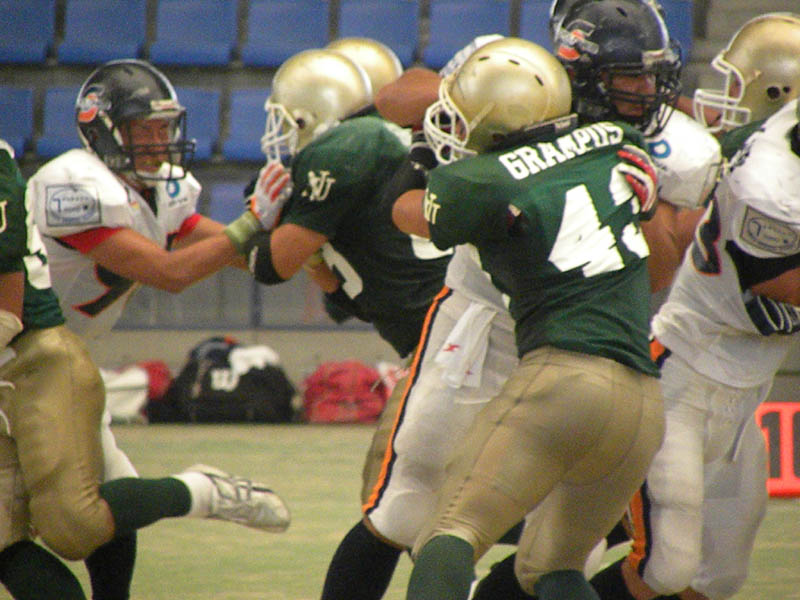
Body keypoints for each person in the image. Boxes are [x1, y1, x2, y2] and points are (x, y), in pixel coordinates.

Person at [318, 3, 718, 600]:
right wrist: (470, 102)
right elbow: (396, 98)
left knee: (556, 549)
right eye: (627, 76)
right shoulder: (516, 81)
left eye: (651, 76)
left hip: (578, 332)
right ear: (579, 72)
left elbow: (655, 272)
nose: (643, 92)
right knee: (405, 506)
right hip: (483, 323)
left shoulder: (671, 145)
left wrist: (649, 207)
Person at [389, 37, 664, 600]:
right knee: (555, 569)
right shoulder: (617, 139)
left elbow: (403, 211)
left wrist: (420, 157)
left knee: (449, 533)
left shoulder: (479, 181)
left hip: (563, 379)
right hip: (642, 403)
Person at [25, 58, 291, 600]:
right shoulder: (74, 185)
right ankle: (202, 491)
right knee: (84, 510)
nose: (157, 142)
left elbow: (232, 250)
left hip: (54, 367)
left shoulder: (160, 190)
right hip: (28, 360)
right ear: (103, 130)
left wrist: (306, 240)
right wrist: (250, 225)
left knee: (104, 502)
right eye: (142, 130)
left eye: (163, 128)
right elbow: (170, 273)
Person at [221, 48, 452, 600]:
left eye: (287, 119)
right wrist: (313, 251)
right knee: (425, 508)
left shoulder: (348, 144)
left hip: (444, 348)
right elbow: (346, 301)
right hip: (437, 341)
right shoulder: (380, 143)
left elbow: (268, 266)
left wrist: (256, 225)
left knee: (390, 509)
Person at [587, 16, 800, 600]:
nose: (724, 99)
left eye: (735, 84)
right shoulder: (768, 176)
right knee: (665, 566)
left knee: (717, 576)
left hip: (743, 398)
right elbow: (778, 280)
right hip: (681, 380)